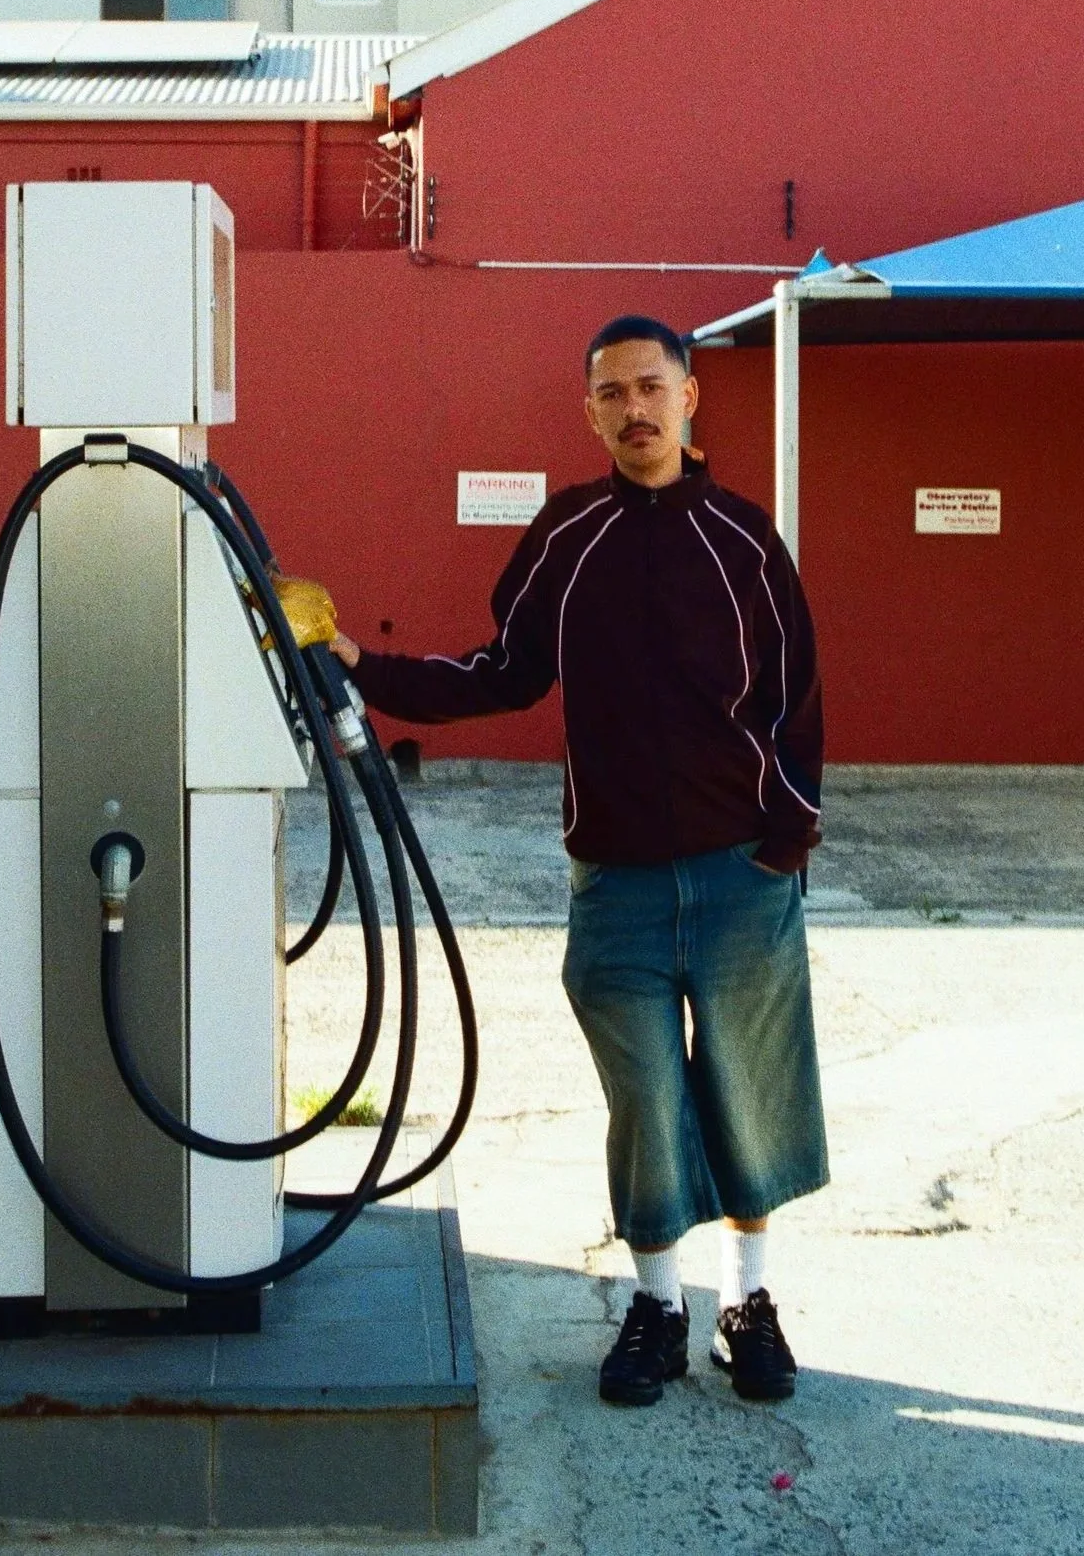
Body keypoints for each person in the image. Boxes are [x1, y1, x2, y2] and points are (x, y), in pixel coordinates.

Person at [329, 315, 828, 1406]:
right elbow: (503, 672)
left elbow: (796, 702)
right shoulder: (568, 534)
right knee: (644, 1098)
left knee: (749, 1088)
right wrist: (362, 665)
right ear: (589, 412)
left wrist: (786, 840)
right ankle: (656, 1307)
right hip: (616, 881)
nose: (634, 410)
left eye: (652, 387)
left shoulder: (746, 541)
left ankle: (750, 1302)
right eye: (612, 395)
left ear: (692, 398)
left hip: (742, 873)